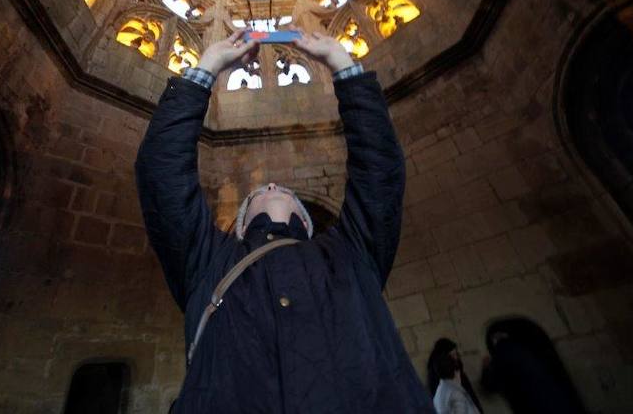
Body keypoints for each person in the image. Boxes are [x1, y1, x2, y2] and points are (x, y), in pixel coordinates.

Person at [135, 28, 434, 413]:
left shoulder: (350, 251)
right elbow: (162, 175)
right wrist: (206, 68)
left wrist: (343, 66)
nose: (273, 184)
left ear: (308, 224)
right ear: (240, 227)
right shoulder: (208, 263)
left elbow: (379, 172)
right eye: (259, 191)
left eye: (282, 189)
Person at [481, 329, 585, 414]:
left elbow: (491, 384)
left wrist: (486, 368)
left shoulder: (502, 353)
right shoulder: (527, 349)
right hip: (560, 401)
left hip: (538, 404)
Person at [427, 338, 484, 414]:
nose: (456, 357)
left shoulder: (458, 368)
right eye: (453, 354)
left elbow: (470, 394)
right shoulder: (438, 378)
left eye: (456, 354)